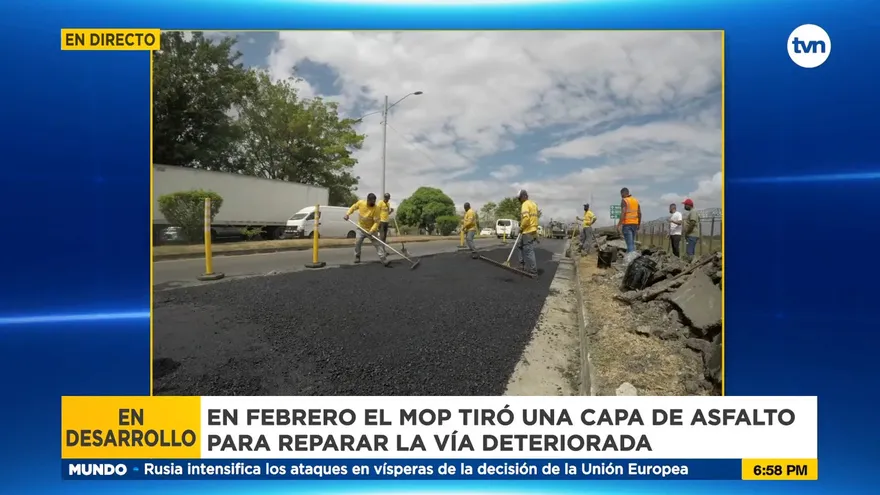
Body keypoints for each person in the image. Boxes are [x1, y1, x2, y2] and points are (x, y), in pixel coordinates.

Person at [344, 193, 389, 266]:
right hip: (361, 228)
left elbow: (377, 222)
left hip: (371, 230)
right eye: (371, 201)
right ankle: (357, 256)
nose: (373, 203)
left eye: (374, 201)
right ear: (367, 200)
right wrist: (347, 214)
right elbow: (353, 207)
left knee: (377, 244)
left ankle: (383, 258)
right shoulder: (361, 203)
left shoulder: (376, 208)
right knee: (357, 242)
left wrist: (372, 230)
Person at [517, 190, 540, 276]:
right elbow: (535, 218)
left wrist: (521, 227)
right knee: (519, 246)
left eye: (519, 199)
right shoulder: (533, 204)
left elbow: (526, 218)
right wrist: (535, 233)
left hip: (527, 230)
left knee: (528, 250)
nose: (519, 201)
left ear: (523, 197)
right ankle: (521, 265)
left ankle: (534, 271)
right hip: (532, 229)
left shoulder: (525, 204)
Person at [617, 187, 641, 253]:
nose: (621, 196)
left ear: (622, 193)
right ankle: (629, 259)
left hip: (627, 225)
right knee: (631, 243)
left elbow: (623, 212)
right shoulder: (635, 200)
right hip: (635, 224)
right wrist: (639, 224)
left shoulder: (624, 200)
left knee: (630, 245)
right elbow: (639, 213)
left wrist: (619, 225)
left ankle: (631, 260)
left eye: (621, 195)